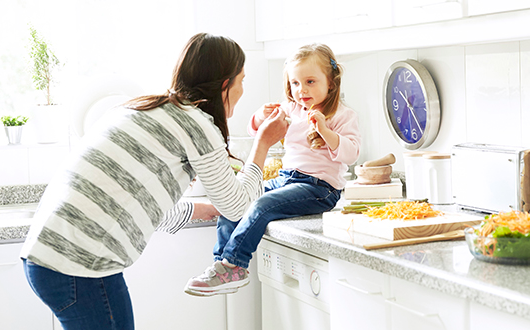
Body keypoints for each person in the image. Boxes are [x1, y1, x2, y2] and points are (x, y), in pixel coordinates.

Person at [20, 32, 288, 330]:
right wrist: (262, 143)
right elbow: (238, 207)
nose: (242, 90)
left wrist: (198, 210)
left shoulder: (144, 109)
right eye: (241, 80)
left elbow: (136, 202)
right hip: (79, 264)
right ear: (225, 84)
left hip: (50, 259)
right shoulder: (196, 124)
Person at [184, 43, 361, 296]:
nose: (302, 90)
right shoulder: (291, 109)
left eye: (310, 81)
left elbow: (351, 153)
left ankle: (234, 264)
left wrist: (325, 131)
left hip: (319, 188)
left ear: (331, 82)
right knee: (235, 200)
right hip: (286, 180)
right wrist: (258, 117)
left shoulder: (342, 115)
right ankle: (221, 264)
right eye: (295, 83)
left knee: (260, 205)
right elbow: (255, 131)